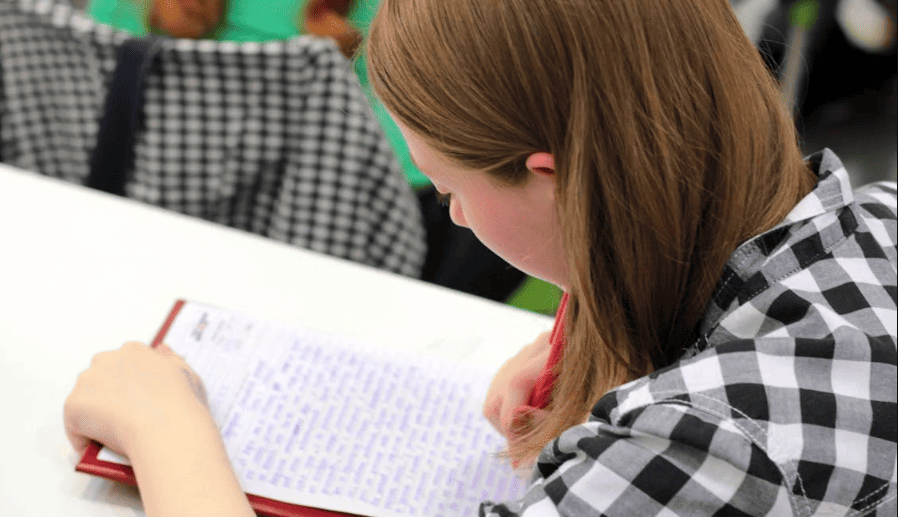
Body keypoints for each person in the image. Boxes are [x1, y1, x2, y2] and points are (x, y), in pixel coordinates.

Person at [64, 0, 898, 515]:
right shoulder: (879, 221)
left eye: (450, 189)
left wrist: (166, 430)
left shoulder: (696, 446)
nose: (454, 216)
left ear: (554, 177)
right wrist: (610, 329)